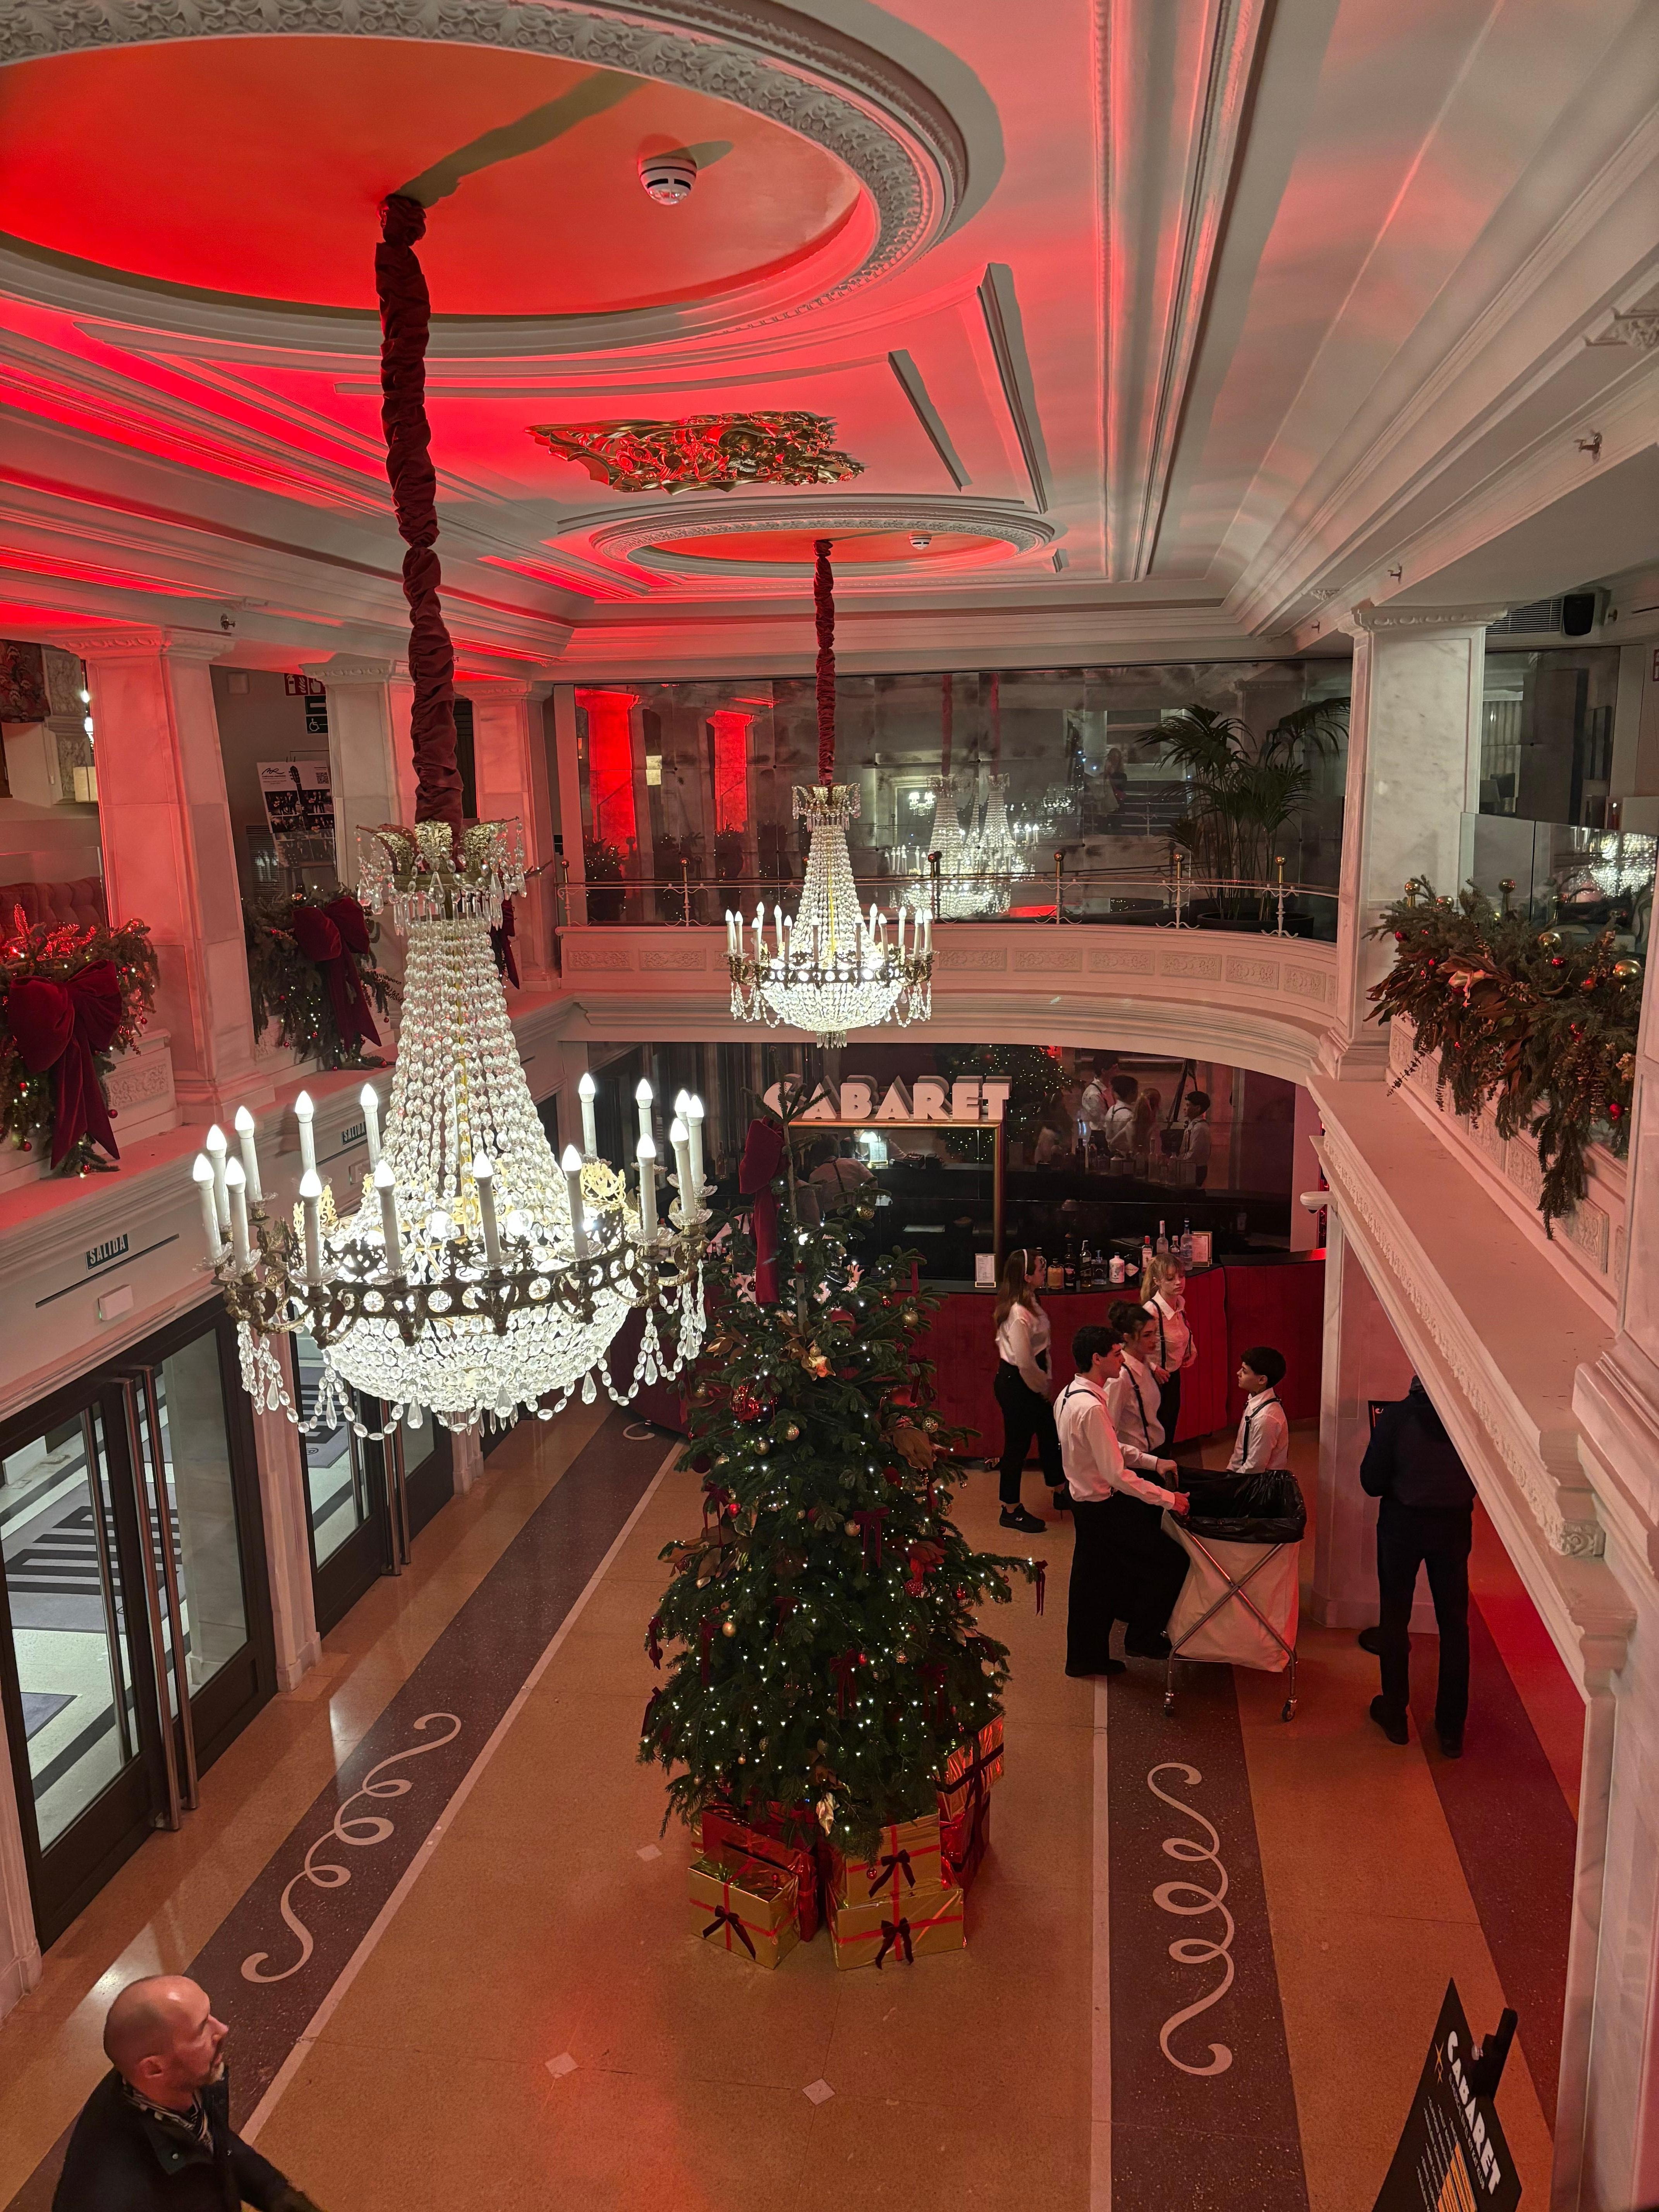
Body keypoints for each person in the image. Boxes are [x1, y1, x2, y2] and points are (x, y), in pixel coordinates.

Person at [54, 1975, 323, 2212]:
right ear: (154, 2068)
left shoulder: (168, 2084)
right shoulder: (117, 2196)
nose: (222, 2030)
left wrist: (277, 2195)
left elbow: (213, 2144)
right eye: (201, 2029)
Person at [1058, 1317, 1190, 1674]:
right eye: (1116, 1354)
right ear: (1097, 1359)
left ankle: (1087, 1658)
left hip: (1084, 1502)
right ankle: (1143, 1637)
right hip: (1101, 1508)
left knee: (1093, 1583)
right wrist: (1169, 1499)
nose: (1122, 1359)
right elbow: (1115, 1471)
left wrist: (1154, 1461)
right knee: (1170, 1561)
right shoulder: (1092, 1407)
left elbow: (1109, 1448)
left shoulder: (1069, 1395)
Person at [1360, 1375, 1477, 1757]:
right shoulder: (1471, 1418)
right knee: (1454, 1625)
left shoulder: (1397, 1417)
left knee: (1395, 1618)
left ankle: (1395, 1713)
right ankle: (1450, 1728)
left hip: (1402, 1525)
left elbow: (1372, 1482)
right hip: (1454, 1524)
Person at [992, 1250, 1064, 1532]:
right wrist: (1042, 1387)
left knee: (1050, 1433)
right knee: (1017, 1447)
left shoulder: (1032, 1300)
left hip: (1029, 1381)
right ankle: (1010, 1509)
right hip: (1018, 1384)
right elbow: (1024, 1363)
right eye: (1040, 1269)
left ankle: (1059, 1490)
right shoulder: (1019, 1315)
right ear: (1027, 1277)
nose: (1044, 1272)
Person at [1107, 1301, 1176, 1479]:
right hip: (1139, 1463)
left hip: (1157, 1449)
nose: (1155, 1340)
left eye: (1155, 1333)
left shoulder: (1145, 1363)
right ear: (1128, 1337)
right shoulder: (1121, 1377)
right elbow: (1109, 1431)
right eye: (1147, 1335)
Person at [1142, 1254, 1198, 1443]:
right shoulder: (1151, 1311)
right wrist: (1153, 1368)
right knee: (1157, 1430)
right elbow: (1130, 1348)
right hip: (1154, 1379)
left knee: (1170, 1424)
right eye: (1170, 1278)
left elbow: (1183, 1331)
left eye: (1181, 1276)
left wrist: (1192, 1349)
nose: (1179, 1282)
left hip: (1173, 1375)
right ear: (1157, 1281)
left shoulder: (1180, 1304)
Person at [1228, 1346, 1290, 1473]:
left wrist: (1232, 1484)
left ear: (1262, 1380)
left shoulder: (1266, 1418)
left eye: (1244, 1371)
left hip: (1260, 1483)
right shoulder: (1254, 1400)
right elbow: (1240, 1450)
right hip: (1245, 1475)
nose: (1238, 1373)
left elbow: (1255, 1467)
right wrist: (1230, 1472)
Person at [810, 1137, 873, 1203]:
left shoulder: (815, 1175)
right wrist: (870, 1204)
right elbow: (873, 1181)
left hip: (831, 1213)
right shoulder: (854, 1163)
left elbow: (816, 1204)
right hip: (856, 1209)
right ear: (838, 1149)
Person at [1103, 1074, 1138, 1163]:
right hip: (1126, 1159)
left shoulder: (1112, 1109)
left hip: (1111, 1155)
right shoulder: (1129, 1116)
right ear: (1132, 1093)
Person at [1181, 1091, 1212, 1186]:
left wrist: (1178, 1162)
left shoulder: (1200, 1128)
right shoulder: (1193, 1125)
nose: (1184, 1108)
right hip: (1190, 1166)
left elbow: (1194, 1153)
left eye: (1188, 1105)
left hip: (1196, 1168)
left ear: (1198, 1108)